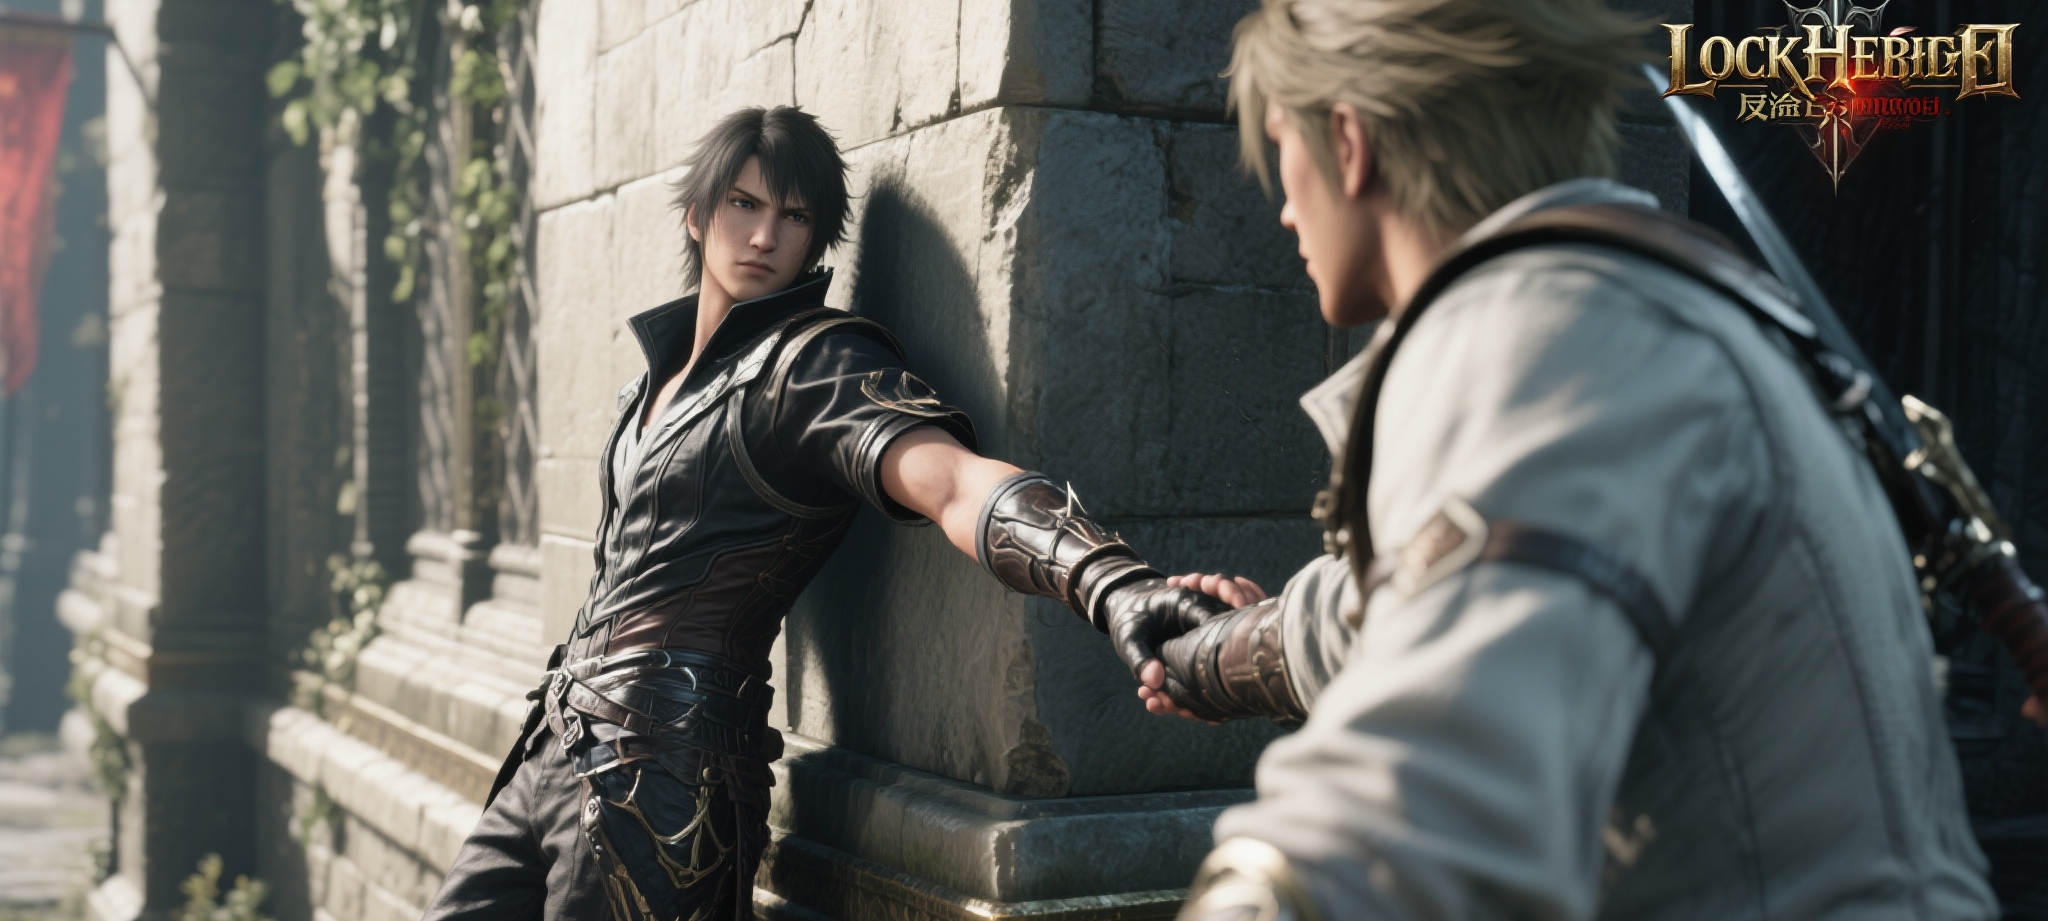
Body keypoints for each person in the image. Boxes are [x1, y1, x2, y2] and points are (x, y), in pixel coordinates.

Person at [1140, 1, 2003, 917]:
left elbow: (1408, 807)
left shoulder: (1543, 339)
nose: (1283, 207)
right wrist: (1226, 647)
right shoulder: (1626, 310)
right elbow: (1437, 595)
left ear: (1348, 143)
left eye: (1282, 147)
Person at [419, 106, 1228, 921]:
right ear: (697, 214)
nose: (764, 236)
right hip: (554, 743)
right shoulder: (651, 384)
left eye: (794, 216)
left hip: (661, 781)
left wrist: (1113, 584)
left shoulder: (813, 366)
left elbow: (954, 482)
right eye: (743, 204)